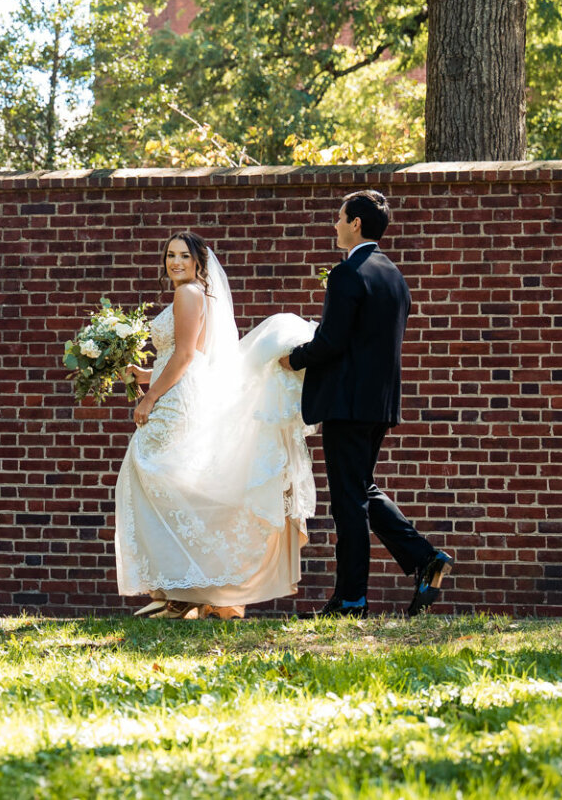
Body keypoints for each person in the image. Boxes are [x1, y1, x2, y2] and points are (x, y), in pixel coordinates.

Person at [115, 232, 318, 619]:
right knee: (175, 482)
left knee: (151, 475)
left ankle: (186, 588)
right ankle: (188, 588)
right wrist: (143, 374)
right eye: (169, 255)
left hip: (176, 398)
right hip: (180, 387)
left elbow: (187, 355)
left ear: (198, 262)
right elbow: (191, 353)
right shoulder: (196, 294)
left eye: (183, 256)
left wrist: (150, 397)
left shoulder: (188, 293)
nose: (175, 262)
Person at [280, 190, 454, 618]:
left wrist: (292, 358)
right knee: (360, 490)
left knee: (348, 502)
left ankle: (352, 597)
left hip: (346, 404)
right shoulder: (394, 276)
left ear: (356, 223)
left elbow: (331, 342)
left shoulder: (348, 273)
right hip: (379, 405)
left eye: (339, 218)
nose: (334, 225)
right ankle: (425, 559)